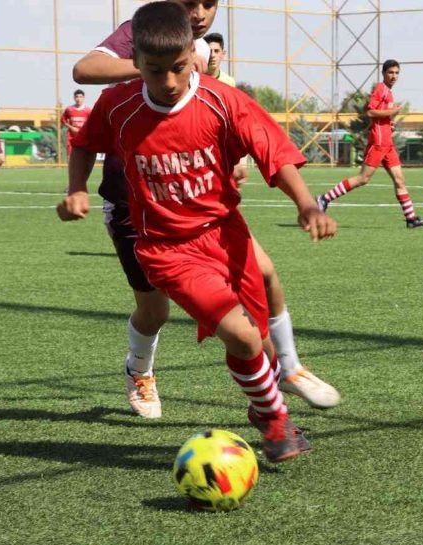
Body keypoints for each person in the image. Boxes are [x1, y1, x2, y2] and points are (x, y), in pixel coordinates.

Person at [58, 2, 336, 462]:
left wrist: (306, 202)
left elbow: (273, 152)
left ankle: (264, 403)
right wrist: (76, 189)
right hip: (167, 249)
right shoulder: (119, 105)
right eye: (153, 71)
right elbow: (85, 144)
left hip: (228, 236)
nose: (167, 82)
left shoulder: (222, 101)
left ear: (195, 54)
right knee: (244, 337)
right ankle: (275, 422)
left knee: (259, 345)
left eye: (178, 68)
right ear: (136, 63)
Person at [317, 60, 423, 229]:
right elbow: (370, 111)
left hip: (388, 144)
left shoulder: (389, 92)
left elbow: (378, 112)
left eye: (396, 73)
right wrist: (392, 112)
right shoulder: (381, 89)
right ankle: (324, 199)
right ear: (384, 73)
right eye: (390, 72)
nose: (394, 76)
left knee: (400, 180)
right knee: (363, 178)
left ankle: (411, 219)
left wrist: (390, 122)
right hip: (379, 142)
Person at [204, 32, 248, 185]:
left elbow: (234, 121)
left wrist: (240, 159)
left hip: (221, 146)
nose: (212, 55)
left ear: (223, 54)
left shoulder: (229, 82)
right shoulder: (193, 78)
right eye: (209, 51)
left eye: (216, 51)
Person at [60, 89, 92, 161]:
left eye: (80, 97)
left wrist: (84, 130)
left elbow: (91, 123)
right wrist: (71, 127)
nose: (78, 99)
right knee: (71, 157)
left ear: (83, 98)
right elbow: (63, 120)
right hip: (72, 137)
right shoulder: (69, 109)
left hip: (83, 136)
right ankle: (72, 171)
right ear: (74, 98)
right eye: (77, 97)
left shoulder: (88, 110)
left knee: (83, 156)